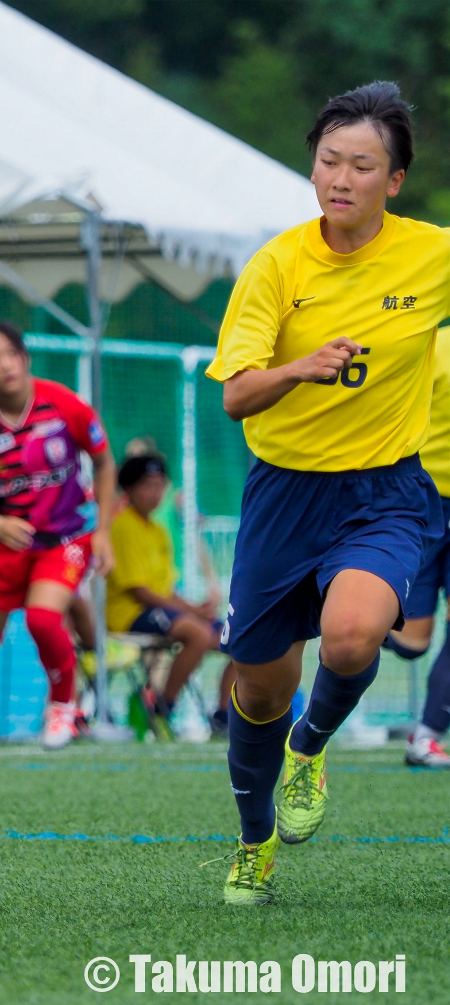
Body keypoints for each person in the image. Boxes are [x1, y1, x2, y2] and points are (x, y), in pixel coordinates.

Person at [205, 82, 449, 905]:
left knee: (351, 638)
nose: (342, 178)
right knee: (258, 688)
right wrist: (299, 368)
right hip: (283, 496)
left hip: (385, 491)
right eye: (329, 161)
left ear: (395, 180)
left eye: (363, 165)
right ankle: (254, 843)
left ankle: (308, 748)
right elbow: (236, 395)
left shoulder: (430, 256)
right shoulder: (278, 264)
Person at [0, 321, 116, 753]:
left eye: (10, 354)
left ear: (25, 357)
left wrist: (103, 533)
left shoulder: (63, 403)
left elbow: (104, 463)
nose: (5, 365)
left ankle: (63, 709)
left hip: (65, 539)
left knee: (43, 619)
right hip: (7, 545)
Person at [105, 453, 237, 740]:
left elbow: (165, 589)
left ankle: (224, 716)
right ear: (128, 489)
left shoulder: (158, 531)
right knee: (197, 633)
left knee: (237, 639)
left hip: (160, 610)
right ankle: (162, 708)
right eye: (147, 486)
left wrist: (196, 609)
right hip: (128, 614)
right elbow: (139, 591)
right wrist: (192, 613)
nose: (155, 493)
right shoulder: (122, 526)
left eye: (159, 485)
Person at [380, 328, 450, 769]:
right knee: (411, 642)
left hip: (416, 500)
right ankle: (350, 616)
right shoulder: (430, 344)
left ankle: (425, 737)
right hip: (421, 501)